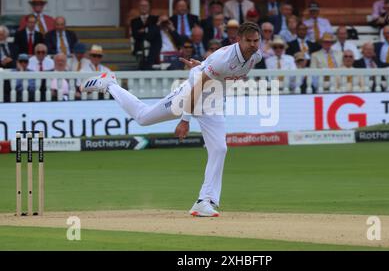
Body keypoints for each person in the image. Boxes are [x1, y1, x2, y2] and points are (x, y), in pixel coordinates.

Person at [80, 22, 263, 217]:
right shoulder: (223, 59)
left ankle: (204, 201)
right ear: (238, 40)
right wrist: (185, 120)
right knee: (143, 118)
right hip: (189, 94)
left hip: (213, 102)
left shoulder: (256, 56)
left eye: (256, 40)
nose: (253, 45)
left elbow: (216, 72)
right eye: (248, 41)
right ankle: (110, 85)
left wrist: (200, 66)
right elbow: (198, 87)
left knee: (219, 148)